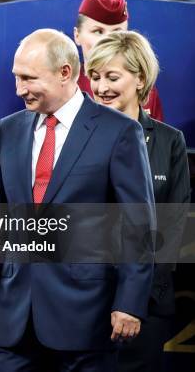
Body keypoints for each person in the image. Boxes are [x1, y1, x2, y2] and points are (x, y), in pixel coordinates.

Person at [0, 29, 155, 372]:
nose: (19, 89)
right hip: (14, 319)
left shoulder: (119, 132)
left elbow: (138, 224)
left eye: (29, 78)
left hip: (87, 318)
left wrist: (130, 301)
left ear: (65, 73)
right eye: (16, 77)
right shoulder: (8, 130)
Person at [86, 30, 190, 372]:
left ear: (141, 77)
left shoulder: (170, 141)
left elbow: (172, 230)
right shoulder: (75, 139)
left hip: (145, 305)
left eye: (112, 77)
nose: (102, 88)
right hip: (82, 300)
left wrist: (133, 300)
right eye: (96, 77)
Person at [73, 0, 164, 121]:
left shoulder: (142, 87)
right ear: (77, 35)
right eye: (98, 31)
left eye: (117, 33)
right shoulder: (66, 87)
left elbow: (158, 137)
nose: (108, 39)